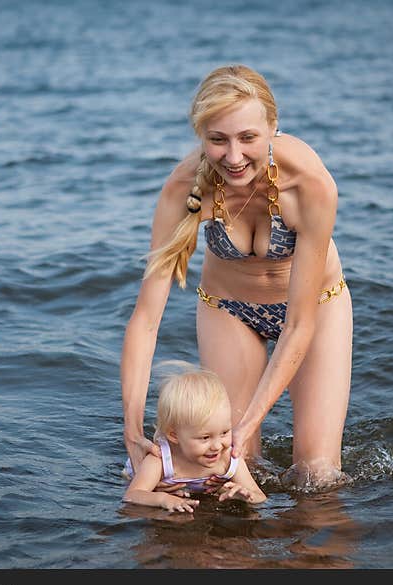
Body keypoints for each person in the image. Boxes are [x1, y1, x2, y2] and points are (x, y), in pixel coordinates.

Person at [121, 64, 353, 492]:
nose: (233, 156)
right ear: (200, 136)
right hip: (228, 310)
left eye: (247, 138)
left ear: (272, 128)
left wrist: (248, 422)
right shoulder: (182, 189)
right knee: (231, 466)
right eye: (217, 140)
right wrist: (132, 432)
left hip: (314, 310)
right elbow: (146, 320)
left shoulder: (310, 185)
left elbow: (299, 325)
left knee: (316, 474)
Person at [123, 365, 266, 512]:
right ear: (174, 435)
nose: (217, 446)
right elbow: (132, 495)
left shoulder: (228, 458)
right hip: (140, 474)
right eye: (205, 437)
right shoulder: (161, 460)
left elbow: (260, 496)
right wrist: (163, 499)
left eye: (224, 432)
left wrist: (246, 496)